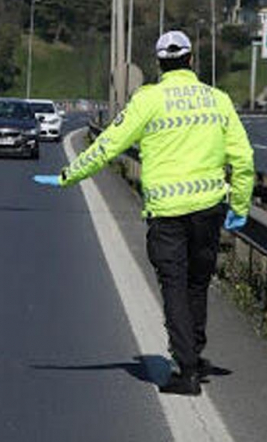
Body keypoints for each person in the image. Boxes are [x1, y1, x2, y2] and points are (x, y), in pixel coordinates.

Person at [34, 31, 254, 395]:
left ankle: (186, 371)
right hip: (209, 210)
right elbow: (243, 157)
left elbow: (108, 144)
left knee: (174, 288)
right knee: (197, 284)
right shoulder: (218, 99)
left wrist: (67, 176)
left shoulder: (148, 99)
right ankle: (194, 354)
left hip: (167, 213)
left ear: (159, 64)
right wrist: (240, 205)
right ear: (190, 61)